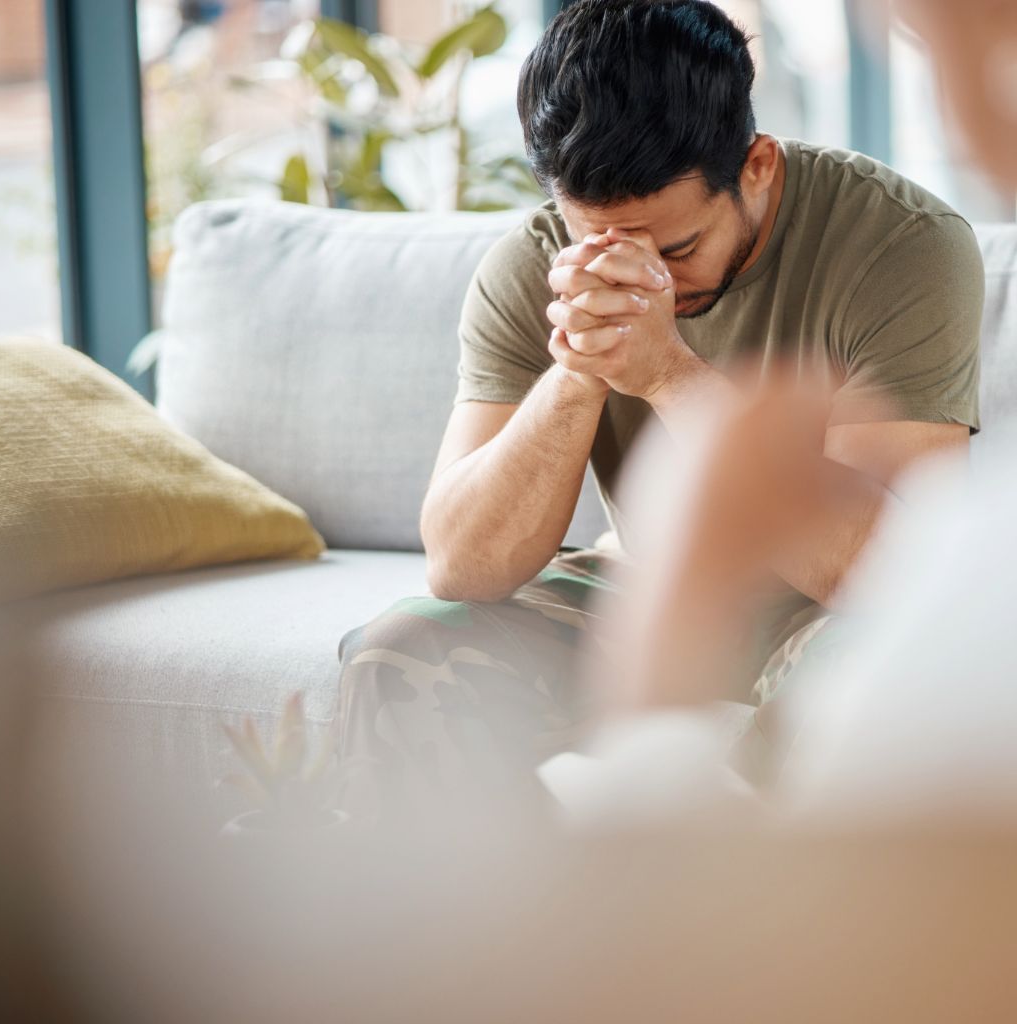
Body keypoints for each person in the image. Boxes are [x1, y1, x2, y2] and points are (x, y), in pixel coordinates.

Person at [335, 0, 983, 809]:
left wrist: (666, 372)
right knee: (398, 653)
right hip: (642, 583)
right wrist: (580, 367)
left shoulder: (901, 245)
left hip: (820, 611)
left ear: (757, 165)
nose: (647, 282)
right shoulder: (528, 266)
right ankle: (497, 896)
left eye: (678, 249)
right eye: (601, 244)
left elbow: (893, 576)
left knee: (872, 676)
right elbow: (462, 565)